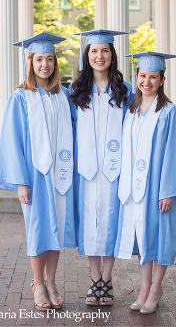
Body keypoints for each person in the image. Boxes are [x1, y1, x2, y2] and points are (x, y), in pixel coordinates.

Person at [0, 32, 76, 311]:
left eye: (50, 59)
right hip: (34, 176)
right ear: (30, 62)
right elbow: (11, 141)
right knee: (38, 230)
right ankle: (38, 284)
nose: (45, 65)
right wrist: (21, 182)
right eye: (39, 59)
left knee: (56, 230)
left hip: (60, 175)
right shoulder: (20, 97)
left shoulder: (62, 95)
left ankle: (52, 282)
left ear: (55, 62)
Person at [113, 51, 176, 314]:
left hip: (159, 188)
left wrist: (169, 192)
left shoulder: (170, 113)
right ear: (136, 77)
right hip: (134, 188)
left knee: (159, 238)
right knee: (142, 238)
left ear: (162, 80)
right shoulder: (130, 110)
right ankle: (144, 287)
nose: (146, 82)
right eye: (142, 76)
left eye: (153, 77)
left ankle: (155, 288)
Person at [68, 29, 135, 306]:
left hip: (114, 170)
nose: (100, 56)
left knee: (109, 224)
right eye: (94, 51)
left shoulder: (126, 90)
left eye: (105, 51)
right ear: (87, 55)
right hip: (85, 171)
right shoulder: (75, 91)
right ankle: (94, 278)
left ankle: (106, 279)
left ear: (112, 55)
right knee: (90, 225)